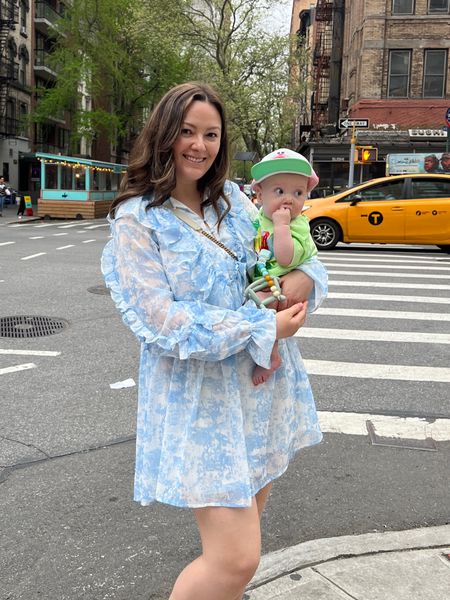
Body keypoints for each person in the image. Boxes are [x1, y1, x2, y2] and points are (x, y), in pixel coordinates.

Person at [101, 82, 327, 600]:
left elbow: (285, 257)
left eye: (210, 134)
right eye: (186, 132)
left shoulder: (230, 199)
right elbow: (162, 321)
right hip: (199, 404)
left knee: (245, 539)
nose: (199, 145)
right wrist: (262, 327)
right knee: (235, 560)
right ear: (164, 136)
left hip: (259, 391)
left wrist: (306, 283)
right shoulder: (137, 220)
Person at [246, 148, 319, 386]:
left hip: (280, 284)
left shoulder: (297, 225)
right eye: (279, 191)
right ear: (259, 193)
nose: (289, 199)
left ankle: (272, 355)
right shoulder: (258, 218)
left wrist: (282, 227)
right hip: (264, 278)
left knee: (264, 309)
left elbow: (286, 258)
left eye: (298, 192)